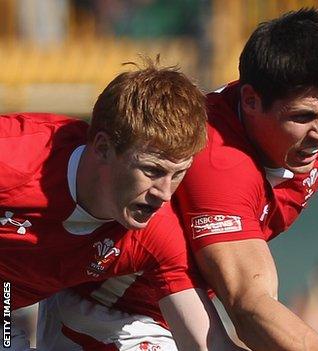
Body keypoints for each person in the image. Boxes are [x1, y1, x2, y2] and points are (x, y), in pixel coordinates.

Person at [39, 8, 318, 351]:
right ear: (249, 101)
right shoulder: (217, 158)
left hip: (194, 317)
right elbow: (250, 304)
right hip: (111, 314)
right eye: (303, 117)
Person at [0, 60, 229, 351]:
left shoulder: (156, 230)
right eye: (152, 171)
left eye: (178, 174)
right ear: (103, 148)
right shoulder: (13, 158)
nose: (165, 193)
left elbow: (208, 344)